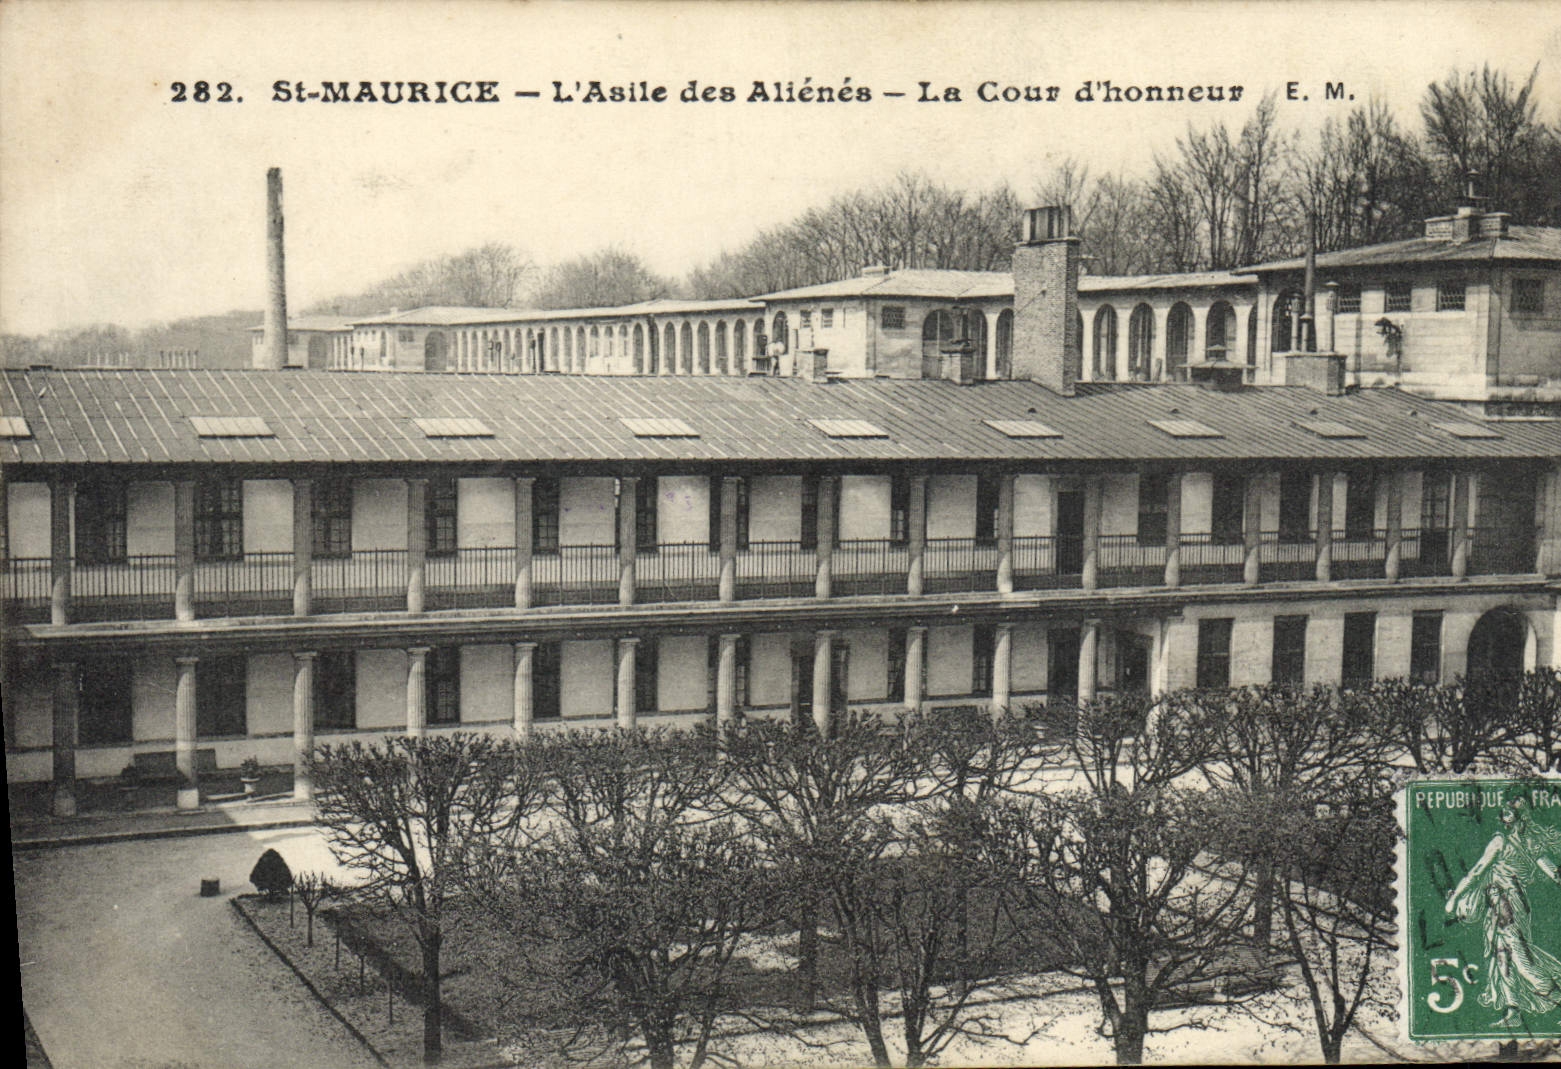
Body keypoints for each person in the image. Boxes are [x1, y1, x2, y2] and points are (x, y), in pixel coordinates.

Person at [1445, 794, 1561, 1028]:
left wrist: (1455, 898)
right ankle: (1513, 1011)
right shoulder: (1520, 841)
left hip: (1509, 906)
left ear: (1519, 817)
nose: (1502, 818)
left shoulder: (1512, 842)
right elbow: (1478, 871)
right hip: (1500, 905)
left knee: (1521, 960)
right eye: (1503, 813)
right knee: (1502, 958)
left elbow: (1553, 872)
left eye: (1508, 813)